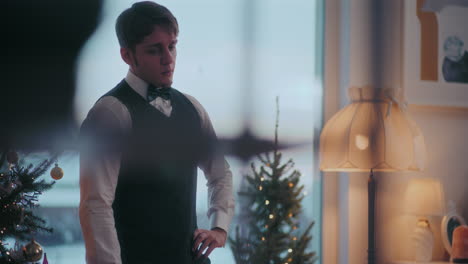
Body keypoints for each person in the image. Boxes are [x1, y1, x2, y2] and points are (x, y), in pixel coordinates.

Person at [79, 2, 235, 263]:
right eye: (154, 50)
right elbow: (95, 205)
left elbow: (220, 173)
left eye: (172, 46)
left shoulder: (193, 109)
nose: (168, 58)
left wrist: (219, 227)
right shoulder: (110, 114)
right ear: (127, 56)